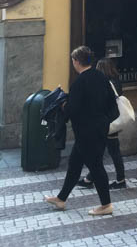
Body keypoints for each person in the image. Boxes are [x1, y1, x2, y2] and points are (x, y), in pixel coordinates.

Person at [44, 46, 118, 216]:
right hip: (99, 128)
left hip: (86, 132)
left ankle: (106, 205)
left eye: (73, 60)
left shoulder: (79, 82)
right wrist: (104, 120)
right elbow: (111, 104)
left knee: (96, 167)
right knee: (75, 165)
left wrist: (63, 103)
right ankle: (61, 199)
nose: (72, 63)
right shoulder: (101, 77)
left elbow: (72, 110)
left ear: (77, 62)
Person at [77, 58, 126, 190]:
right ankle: (90, 179)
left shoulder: (106, 83)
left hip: (107, 122)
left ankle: (120, 181)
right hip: (112, 121)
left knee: (110, 152)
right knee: (104, 151)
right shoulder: (116, 81)